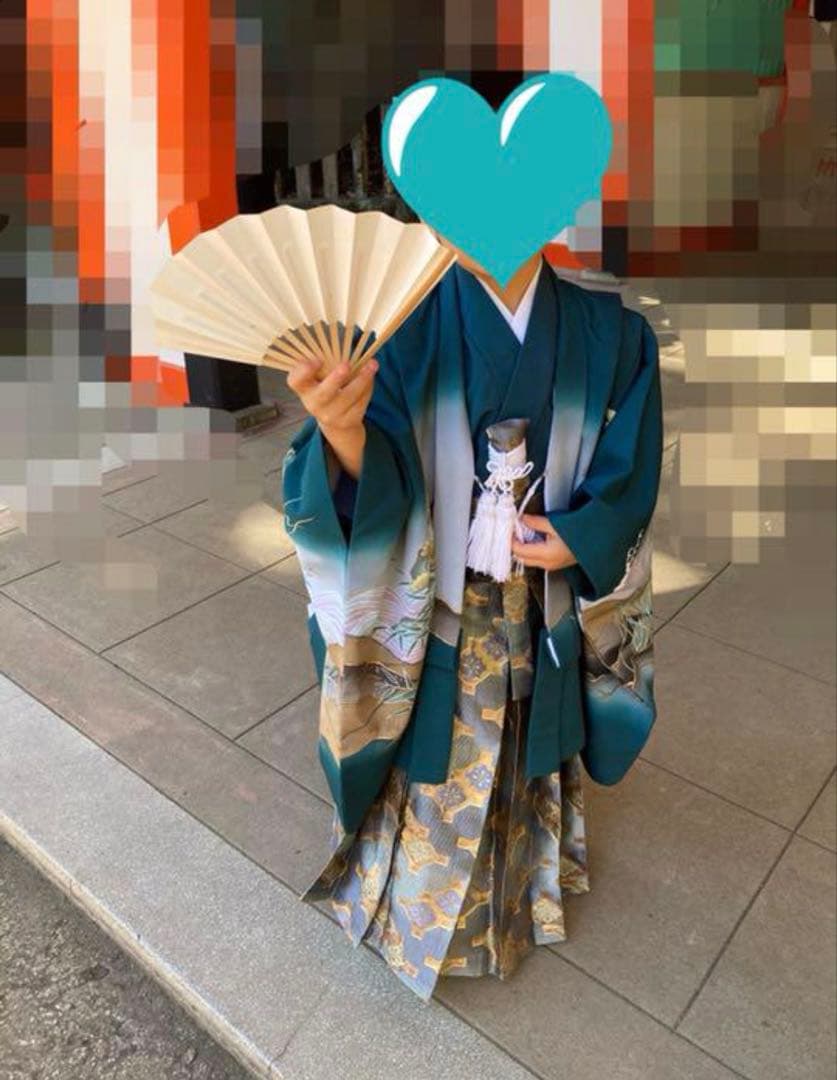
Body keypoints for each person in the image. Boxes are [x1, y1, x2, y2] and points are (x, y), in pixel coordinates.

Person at [281, 234, 663, 1002]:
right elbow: (356, 491)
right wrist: (344, 436)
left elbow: (629, 468)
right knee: (437, 755)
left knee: (529, 741)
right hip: (437, 609)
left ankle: (522, 893)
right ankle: (421, 916)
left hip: (543, 602)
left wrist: (583, 534)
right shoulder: (393, 335)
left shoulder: (611, 333)